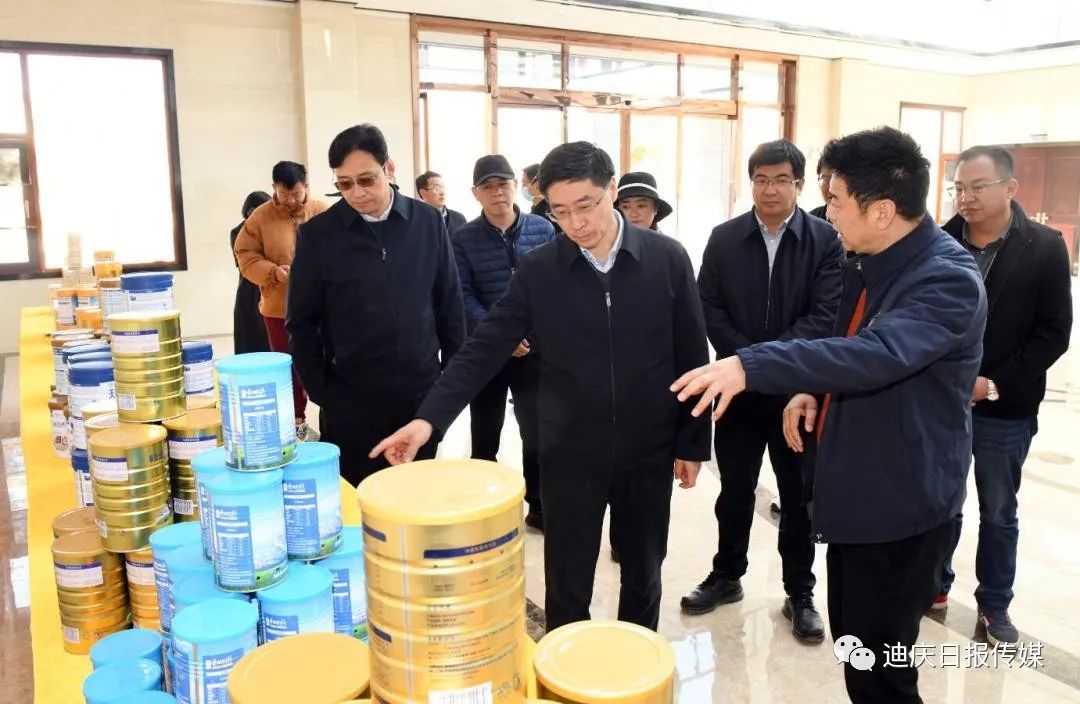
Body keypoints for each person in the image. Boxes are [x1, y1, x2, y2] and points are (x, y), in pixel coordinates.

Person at [671, 126, 987, 704]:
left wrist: (750, 365)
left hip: (902, 505)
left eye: (836, 199)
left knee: (883, 672)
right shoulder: (871, 261)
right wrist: (812, 389)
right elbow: (847, 345)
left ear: (882, 210)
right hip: (861, 494)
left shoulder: (945, 278)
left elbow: (878, 353)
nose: (828, 212)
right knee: (857, 651)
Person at [370, 142, 711, 633]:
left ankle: (637, 663)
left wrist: (692, 442)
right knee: (567, 581)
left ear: (612, 189)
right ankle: (564, 667)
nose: (577, 224)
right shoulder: (541, 269)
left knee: (643, 571)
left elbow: (692, 356)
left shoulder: (666, 259)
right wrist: (429, 420)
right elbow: (484, 347)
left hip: (647, 449)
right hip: (569, 452)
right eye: (561, 211)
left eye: (587, 205)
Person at [680, 139, 842, 644]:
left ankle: (800, 593)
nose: (770, 189)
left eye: (781, 180)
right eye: (761, 179)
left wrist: (765, 364)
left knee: (798, 497)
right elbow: (708, 305)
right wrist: (745, 362)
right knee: (734, 491)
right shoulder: (725, 237)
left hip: (798, 392)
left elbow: (825, 314)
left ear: (800, 184)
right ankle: (727, 575)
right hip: (738, 392)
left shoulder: (825, 239)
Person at [935, 146, 1072, 643]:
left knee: (997, 510)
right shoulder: (940, 241)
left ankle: (994, 605)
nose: (966, 198)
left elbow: (1053, 333)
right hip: (943, 402)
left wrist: (993, 384)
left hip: (1005, 407)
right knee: (940, 501)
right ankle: (933, 585)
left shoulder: (1044, 247)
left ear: (1010, 188)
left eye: (978, 187)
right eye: (959, 188)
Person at [286, 124, 466, 485]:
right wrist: (325, 393)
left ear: (389, 168)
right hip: (352, 401)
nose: (356, 192)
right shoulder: (319, 235)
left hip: (421, 396)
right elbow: (301, 323)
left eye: (366, 180)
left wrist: (447, 386)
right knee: (360, 497)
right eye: (344, 184)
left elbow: (449, 305)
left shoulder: (427, 222)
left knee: (416, 494)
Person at [452, 155, 555, 529]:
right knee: (484, 430)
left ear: (516, 186)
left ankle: (539, 504)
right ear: (475, 193)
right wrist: (501, 336)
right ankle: (484, 502)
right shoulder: (463, 238)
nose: (497, 192)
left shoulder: (543, 229)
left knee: (537, 431)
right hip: (487, 351)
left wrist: (529, 335)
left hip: (534, 351)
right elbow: (463, 294)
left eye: (503, 184)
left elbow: (554, 286)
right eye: (488, 187)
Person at [234, 161, 327, 440]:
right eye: (284, 194)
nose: (291, 200)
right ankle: (295, 420)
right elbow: (245, 255)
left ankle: (331, 414)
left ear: (306, 187)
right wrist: (272, 272)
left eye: (296, 194)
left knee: (323, 360)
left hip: (322, 307)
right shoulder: (260, 218)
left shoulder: (322, 212)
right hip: (278, 307)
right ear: (273, 187)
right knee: (287, 364)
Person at [230, 191, 271, 354]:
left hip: (271, 285)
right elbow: (244, 263)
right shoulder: (238, 231)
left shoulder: (273, 228)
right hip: (250, 287)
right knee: (249, 334)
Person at [523, 162, 561, 233]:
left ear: (537, 183)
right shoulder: (536, 210)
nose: (523, 188)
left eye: (524, 184)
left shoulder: (552, 213)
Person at [808, 156, 834, 222]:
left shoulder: (857, 219)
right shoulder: (810, 221)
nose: (830, 187)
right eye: (826, 179)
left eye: (834, 179)